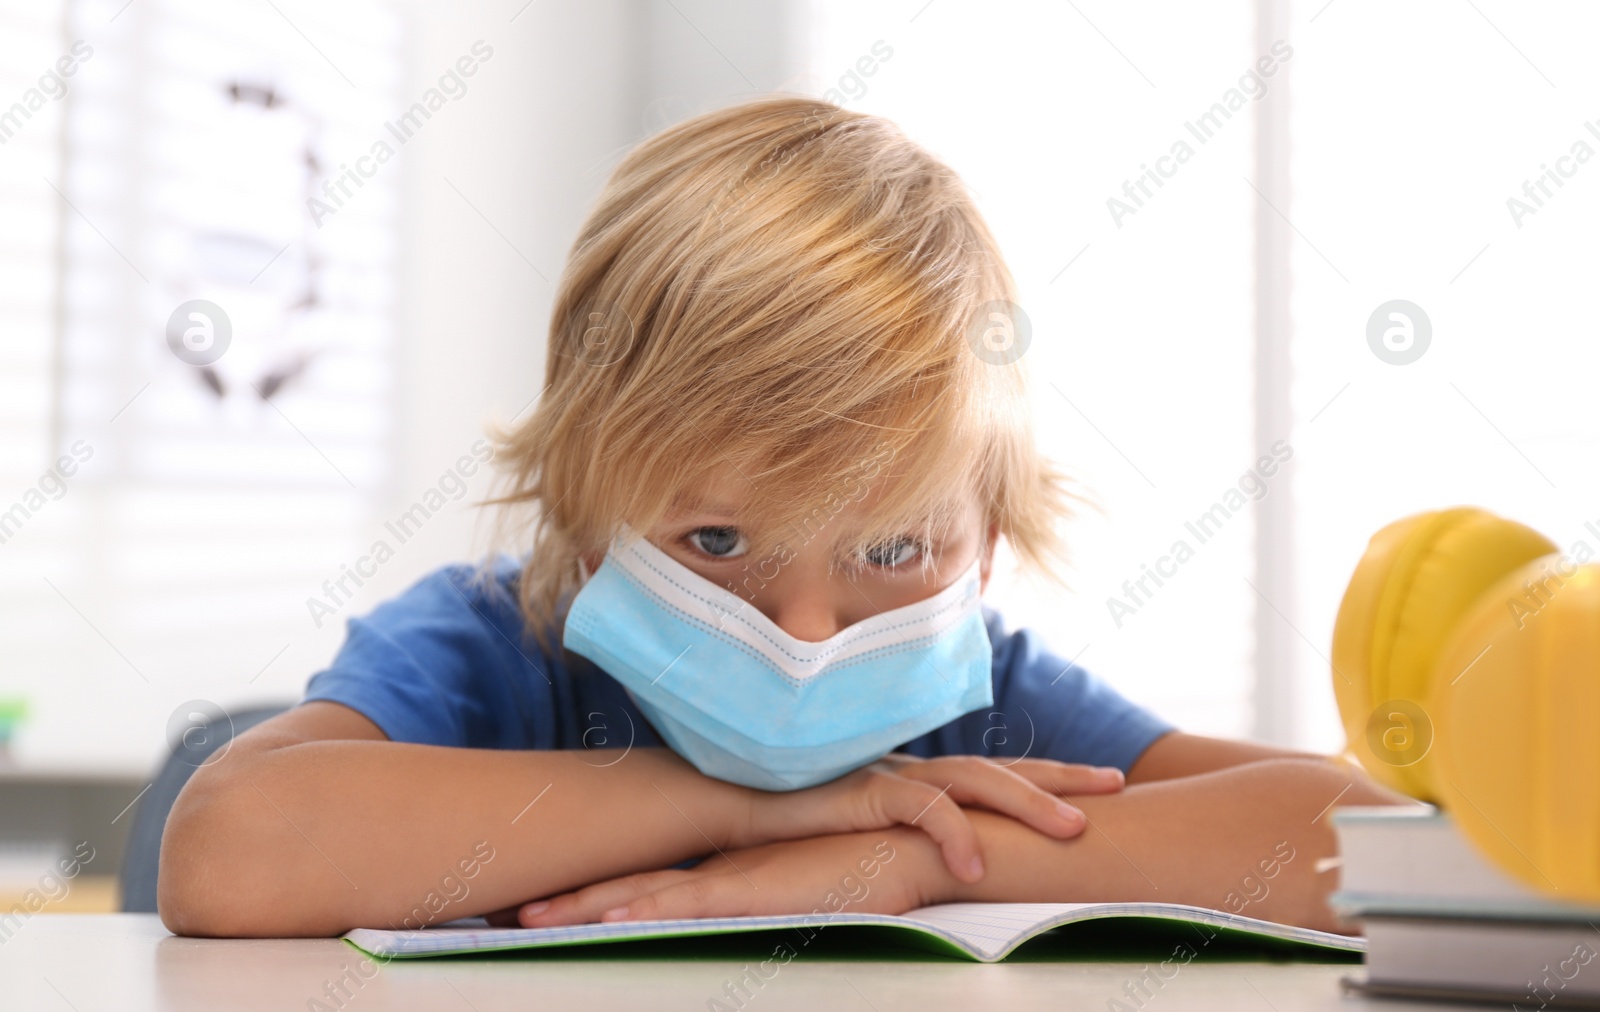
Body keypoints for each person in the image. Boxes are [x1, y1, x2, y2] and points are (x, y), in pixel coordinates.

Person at [158, 96, 1405, 939]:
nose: (806, 631)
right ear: (586, 521)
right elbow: (226, 849)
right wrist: (752, 808)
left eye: (893, 548)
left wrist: (917, 856)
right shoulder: (491, 648)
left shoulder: (984, 709)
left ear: (986, 547)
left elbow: (1377, 846)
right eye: (717, 543)